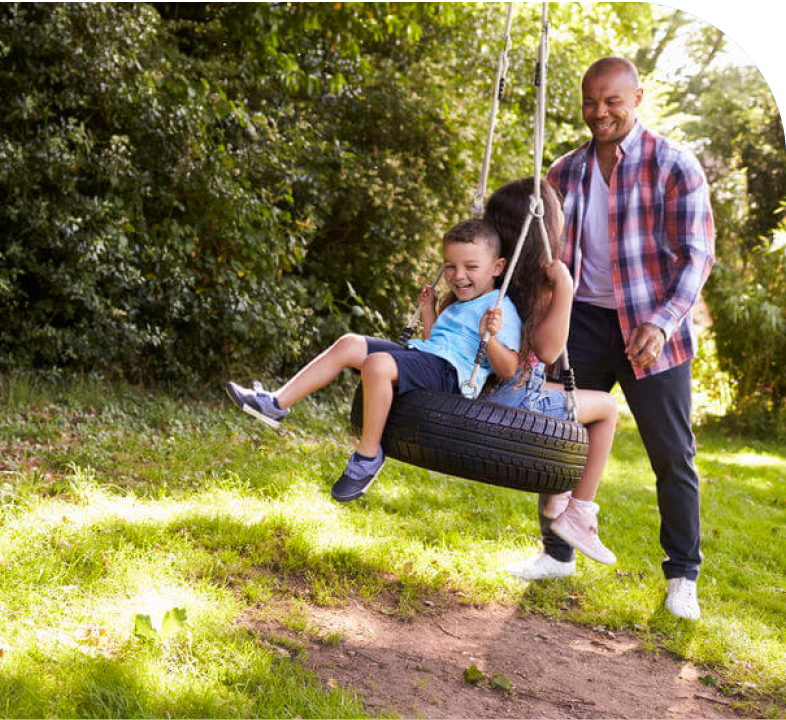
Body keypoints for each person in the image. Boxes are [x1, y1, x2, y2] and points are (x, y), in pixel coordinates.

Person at [506, 57, 715, 622]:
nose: (600, 112)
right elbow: (544, 254)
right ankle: (557, 552)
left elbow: (698, 258)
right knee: (555, 437)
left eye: (612, 101)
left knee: (673, 456)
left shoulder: (674, 165)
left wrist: (664, 320)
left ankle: (682, 576)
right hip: (582, 324)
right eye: (590, 103)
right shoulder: (565, 171)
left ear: (637, 98)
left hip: (651, 328)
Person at [225, 218, 522, 503]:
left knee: (377, 364)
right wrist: (429, 310)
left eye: (470, 267)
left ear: (497, 267)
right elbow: (434, 342)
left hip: (452, 376)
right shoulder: (459, 305)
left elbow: (508, 369)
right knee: (349, 344)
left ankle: (367, 457)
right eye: (450, 267)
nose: (458, 276)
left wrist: (491, 337)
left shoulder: (499, 308)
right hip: (428, 357)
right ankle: (275, 404)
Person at [482, 178, 620, 567]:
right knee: (606, 408)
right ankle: (580, 511)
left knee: (566, 396)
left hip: (480, 393)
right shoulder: (541, 282)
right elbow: (547, 350)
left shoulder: (486, 273)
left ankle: (559, 492)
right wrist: (566, 289)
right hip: (516, 402)